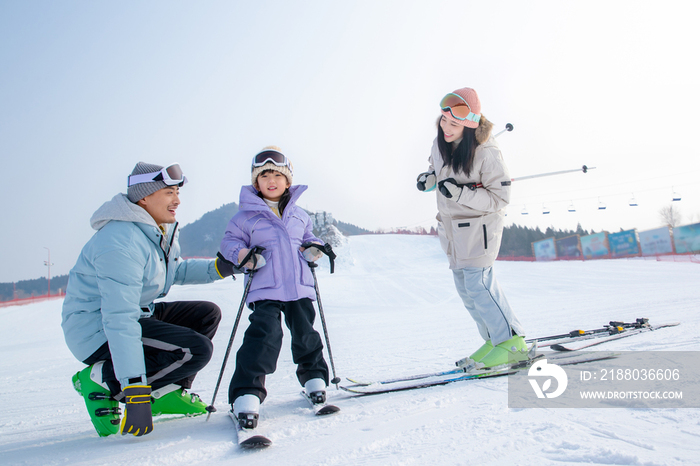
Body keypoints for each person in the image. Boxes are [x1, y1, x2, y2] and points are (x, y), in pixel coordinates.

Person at [62, 162, 240, 437]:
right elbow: (119, 318)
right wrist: (135, 391)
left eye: (177, 193)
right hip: (98, 332)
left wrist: (220, 268)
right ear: (144, 197)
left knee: (206, 315)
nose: (177, 200)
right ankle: (103, 382)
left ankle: (165, 392)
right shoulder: (120, 242)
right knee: (195, 350)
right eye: (169, 192)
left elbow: (173, 270)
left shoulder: (153, 230)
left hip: (137, 314)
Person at [416, 87, 527, 369]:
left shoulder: (486, 152)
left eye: (454, 124)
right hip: (453, 231)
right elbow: (437, 169)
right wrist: (429, 179)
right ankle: (494, 340)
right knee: (466, 289)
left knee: (480, 285)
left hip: (481, 230)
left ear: (469, 125)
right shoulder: (439, 143)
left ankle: (512, 343)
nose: (446, 128)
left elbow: (500, 198)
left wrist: (460, 194)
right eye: (443, 120)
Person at [220, 146, 329, 430]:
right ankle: (246, 392)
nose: (271, 181)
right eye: (264, 175)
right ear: (256, 183)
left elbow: (309, 237)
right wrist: (242, 255)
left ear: (287, 181)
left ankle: (314, 378)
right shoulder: (245, 217)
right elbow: (229, 243)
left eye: (277, 175)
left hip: (298, 287)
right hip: (265, 288)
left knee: (306, 333)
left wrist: (314, 248)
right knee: (264, 337)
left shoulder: (300, 215)